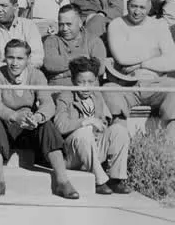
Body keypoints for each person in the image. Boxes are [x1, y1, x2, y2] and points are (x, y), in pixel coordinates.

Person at [0, 39, 80, 200]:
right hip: (6, 129)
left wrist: (37, 117)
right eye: (10, 57)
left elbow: (47, 103)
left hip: (28, 130)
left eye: (20, 58)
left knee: (46, 125)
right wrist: (14, 116)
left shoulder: (36, 75)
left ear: (27, 59)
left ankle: (63, 181)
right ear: (5, 58)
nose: (14, 63)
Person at [103, 0, 175, 140]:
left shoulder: (159, 26)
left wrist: (142, 65)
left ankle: (167, 145)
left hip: (156, 83)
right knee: (108, 90)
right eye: (133, 6)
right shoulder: (117, 24)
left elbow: (172, 61)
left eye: (142, 7)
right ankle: (121, 141)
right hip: (126, 85)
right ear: (127, 4)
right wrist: (155, 53)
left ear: (149, 8)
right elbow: (122, 58)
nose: (137, 12)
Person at [54, 56, 132, 195]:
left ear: (96, 80)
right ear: (73, 81)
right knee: (83, 132)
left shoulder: (96, 96)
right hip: (74, 154)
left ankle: (115, 179)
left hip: (94, 149)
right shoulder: (65, 96)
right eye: (81, 82)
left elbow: (104, 121)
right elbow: (60, 125)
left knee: (119, 130)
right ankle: (99, 181)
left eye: (90, 82)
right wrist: (86, 121)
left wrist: (100, 127)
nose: (86, 87)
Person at [42, 4, 107, 87]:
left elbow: (99, 69)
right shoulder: (51, 41)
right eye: (61, 24)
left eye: (69, 24)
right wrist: (84, 59)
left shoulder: (94, 41)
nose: (64, 28)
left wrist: (64, 74)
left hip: (88, 89)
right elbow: (50, 64)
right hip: (60, 89)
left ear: (80, 23)